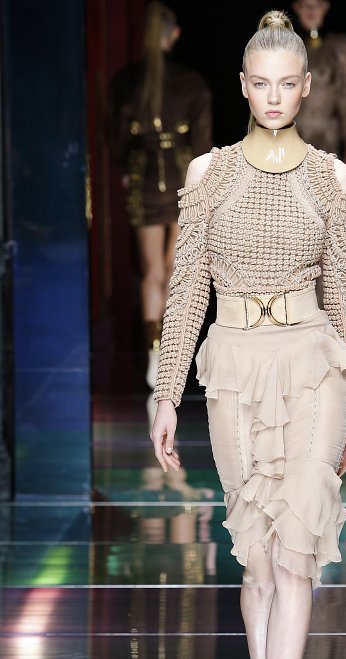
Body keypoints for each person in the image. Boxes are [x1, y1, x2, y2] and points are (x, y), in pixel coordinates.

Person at [150, 8, 346, 659]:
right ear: (244, 86)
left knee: (294, 556)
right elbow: (185, 292)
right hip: (236, 366)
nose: (274, 97)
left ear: (306, 87)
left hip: (314, 364)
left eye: (288, 84)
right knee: (257, 558)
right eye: (261, 84)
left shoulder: (332, 180)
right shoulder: (209, 176)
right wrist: (165, 392)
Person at [106, 1, 213, 391]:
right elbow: (202, 144)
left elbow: (116, 142)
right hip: (184, 177)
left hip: (144, 177)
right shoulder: (191, 83)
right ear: (174, 34)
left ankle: (157, 356)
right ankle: (170, 356)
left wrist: (129, 165)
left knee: (153, 271)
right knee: (174, 270)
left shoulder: (125, 82)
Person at [291, 0, 346, 169]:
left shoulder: (340, 47)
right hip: (294, 136)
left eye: (317, 4)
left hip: (328, 137)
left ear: (325, 7)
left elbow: (344, 97)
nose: (311, 10)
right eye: (305, 4)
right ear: (297, 7)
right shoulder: (287, 47)